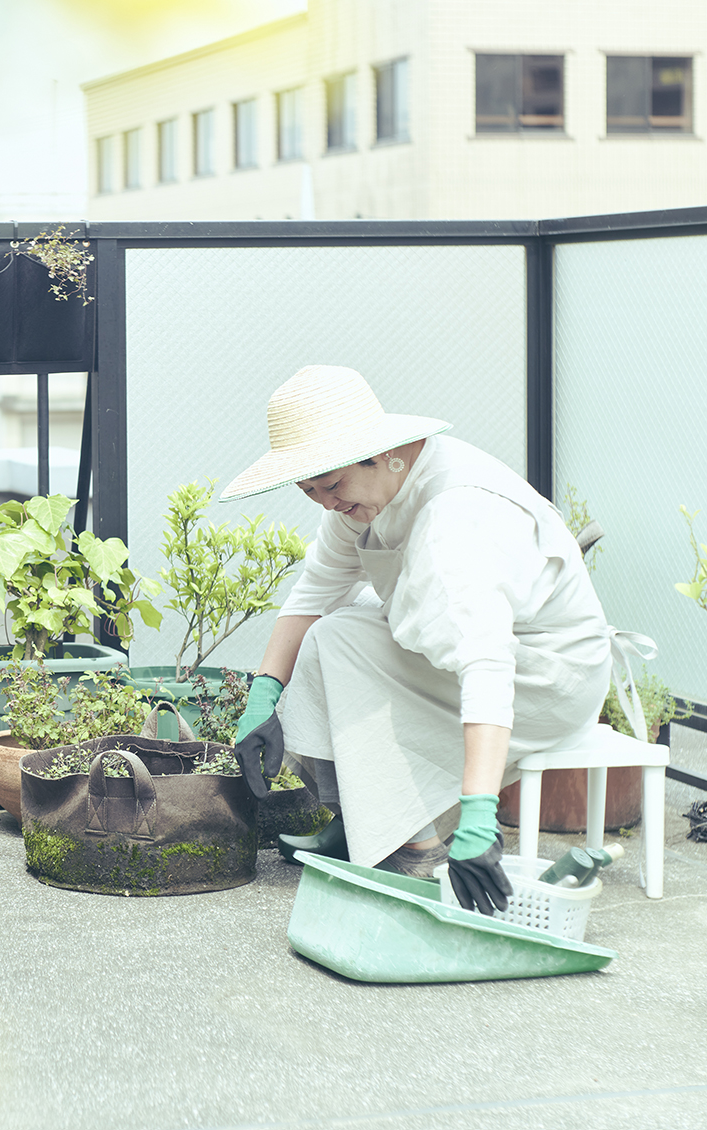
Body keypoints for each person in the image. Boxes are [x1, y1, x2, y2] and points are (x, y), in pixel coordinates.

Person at [227, 365, 648, 915]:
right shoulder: (363, 497)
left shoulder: (455, 515)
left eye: (331, 486)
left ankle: (415, 848)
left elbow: (487, 666)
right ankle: (362, 823)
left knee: (346, 648)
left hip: (545, 677)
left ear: (379, 453)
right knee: (333, 633)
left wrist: (479, 815)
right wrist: (262, 695)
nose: (326, 503)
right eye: (309, 492)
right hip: (487, 661)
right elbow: (313, 595)